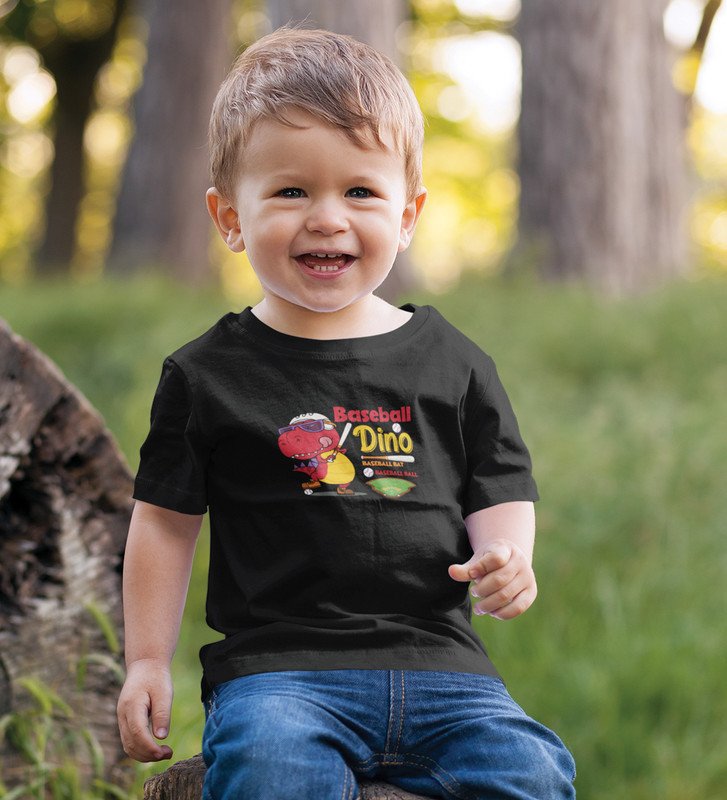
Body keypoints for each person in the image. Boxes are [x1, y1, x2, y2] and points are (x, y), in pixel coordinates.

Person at [116, 26, 576, 800]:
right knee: (271, 770)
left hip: (443, 670)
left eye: (360, 192)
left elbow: (497, 483)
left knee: (532, 771)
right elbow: (163, 524)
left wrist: (505, 554)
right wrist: (145, 662)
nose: (327, 217)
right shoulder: (207, 375)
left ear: (407, 214)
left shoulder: (452, 361)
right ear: (229, 218)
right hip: (280, 676)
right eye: (291, 191)